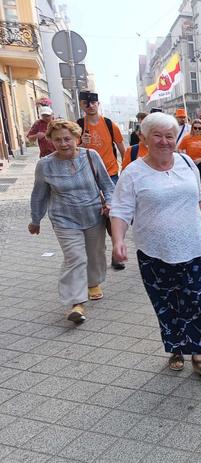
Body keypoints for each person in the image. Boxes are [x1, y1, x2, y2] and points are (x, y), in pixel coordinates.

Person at [110, 112, 201, 382]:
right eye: (157, 135)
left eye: (169, 135)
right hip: (154, 252)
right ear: (144, 138)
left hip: (193, 248)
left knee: (198, 302)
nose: (164, 141)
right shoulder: (134, 172)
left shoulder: (186, 164)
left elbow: (200, 200)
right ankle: (175, 348)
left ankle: (199, 354)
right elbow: (121, 210)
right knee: (166, 303)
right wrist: (118, 240)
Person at [29, 120, 114, 324]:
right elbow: (39, 194)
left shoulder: (91, 156)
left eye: (67, 138)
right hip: (64, 218)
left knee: (95, 253)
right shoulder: (45, 165)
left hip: (93, 215)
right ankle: (76, 303)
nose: (63, 143)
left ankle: (93, 282)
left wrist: (110, 203)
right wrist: (35, 219)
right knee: (75, 257)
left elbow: (107, 185)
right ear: (50, 141)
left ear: (76, 138)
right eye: (57, 139)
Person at [77, 91, 126, 184]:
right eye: (86, 103)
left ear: (98, 104)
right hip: (88, 175)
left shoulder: (109, 124)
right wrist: (82, 144)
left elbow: (123, 151)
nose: (90, 106)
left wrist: (124, 169)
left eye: (93, 102)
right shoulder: (78, 126)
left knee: (112, 198)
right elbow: (72, 152)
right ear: (81, 105)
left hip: (111, 174)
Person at [178, 118, 201, 188]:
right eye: (195, 128)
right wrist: (186, 157)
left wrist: (200, 159)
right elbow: (180, 149)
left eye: (199, 128)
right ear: (192, 128)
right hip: (191, 164)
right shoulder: (186, 138)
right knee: (193, 185)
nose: (197, 130)